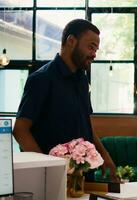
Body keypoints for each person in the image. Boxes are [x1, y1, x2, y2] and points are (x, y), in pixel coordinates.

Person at [13, 19, 119, 182]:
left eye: (96, 49)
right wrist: (47, 171)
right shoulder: (42, 79)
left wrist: (105, 156)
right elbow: (20, 130)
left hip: (83, 176)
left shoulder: (82, 80)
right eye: (91, 47)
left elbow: (86, 123)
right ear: (71, 41)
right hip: (53, 182)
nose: (94, 54)